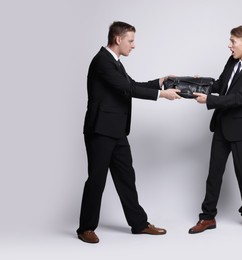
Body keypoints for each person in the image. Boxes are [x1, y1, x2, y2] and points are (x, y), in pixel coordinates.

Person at [77, 21, 181, 243]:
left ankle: (139, 224)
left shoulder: (115, 63)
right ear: (118, 39)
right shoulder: (102, 62)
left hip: (117, 131)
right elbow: (128, 89)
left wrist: (159, 82)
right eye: (130, 41)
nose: (133, 46)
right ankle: (85, 228)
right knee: (97, 180)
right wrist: (162, 95)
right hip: (100, 131)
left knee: (126, 178)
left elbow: (131, 84)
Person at [190, 25, 242, 233]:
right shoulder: (232, 60)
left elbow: (240, 98)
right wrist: (201, 85)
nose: (229, 45)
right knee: (214, 172)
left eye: (233, 41)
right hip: (223, 125)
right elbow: (222, 85)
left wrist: (210, 100)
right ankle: (207, 218)